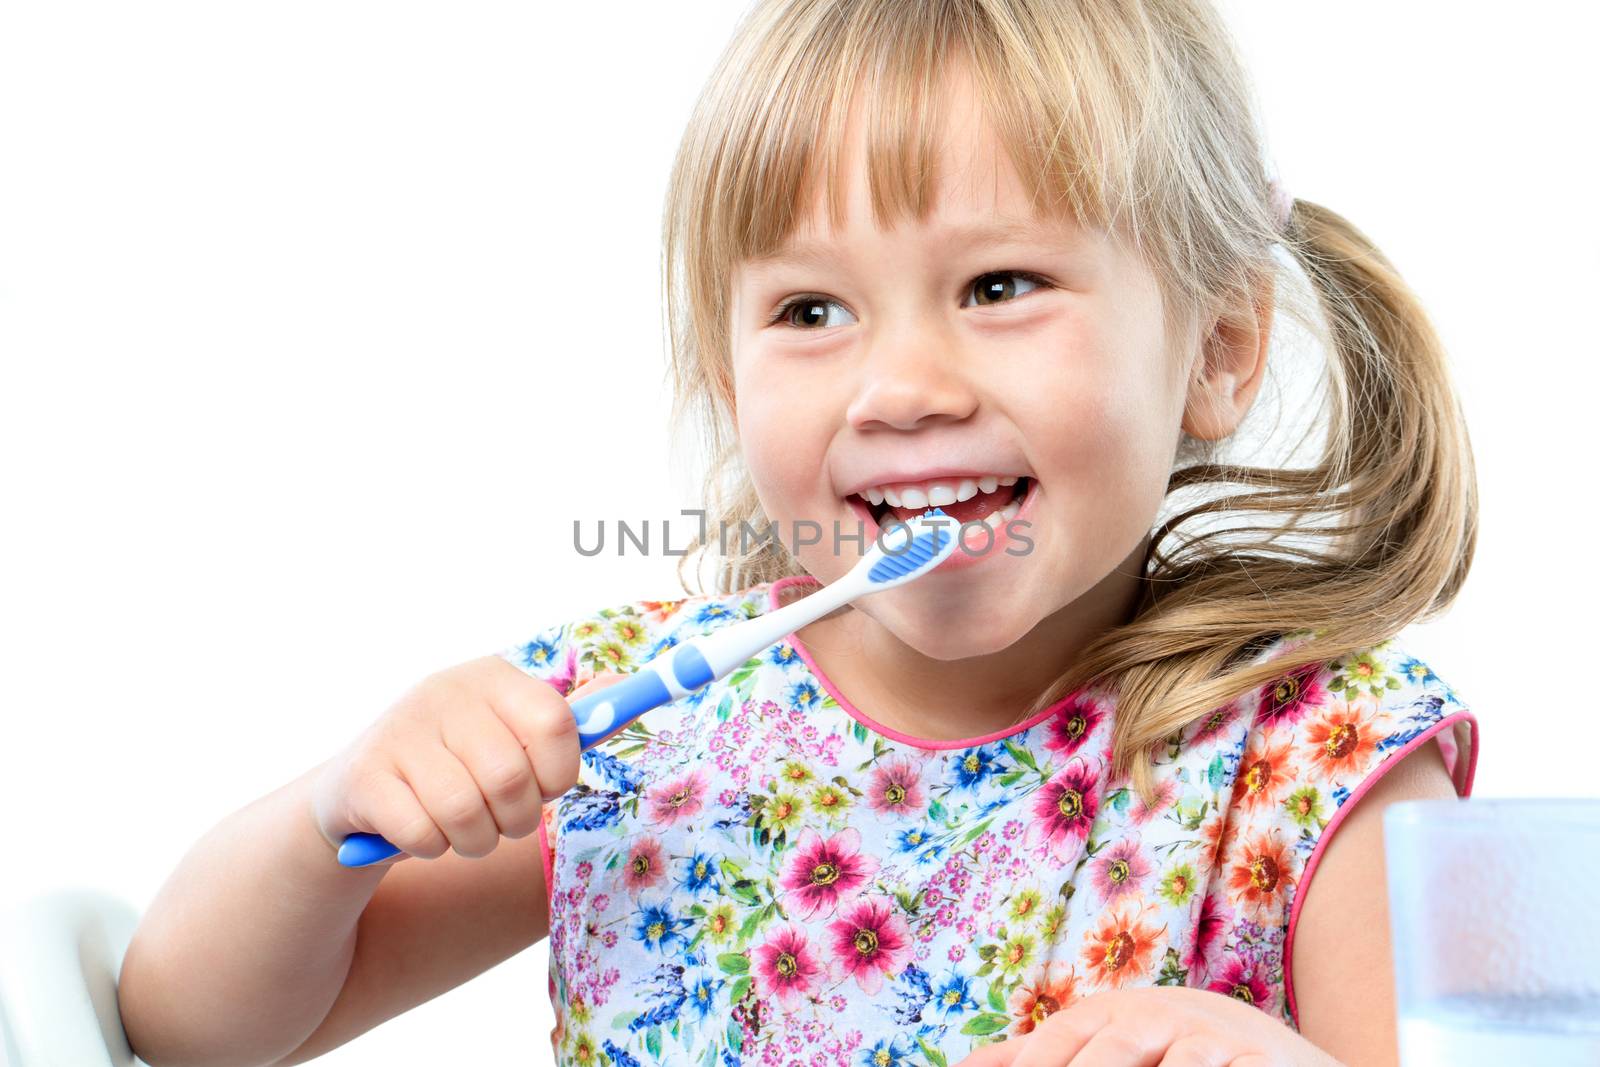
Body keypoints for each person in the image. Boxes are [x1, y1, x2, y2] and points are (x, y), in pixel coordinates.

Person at [116, 1, 1481, 1065]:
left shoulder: (1318, 763)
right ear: (726, 381)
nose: (901, 390)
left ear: (1221, 346)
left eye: (1000, 285)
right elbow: (193, 1030)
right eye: (811, 313)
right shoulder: (632, 734)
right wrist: (325, 817)